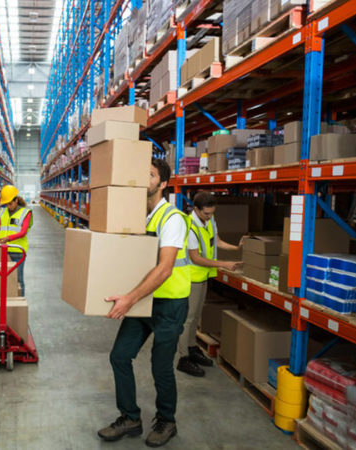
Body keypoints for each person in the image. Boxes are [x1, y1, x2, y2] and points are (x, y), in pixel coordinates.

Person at [98, 158, 191, 448]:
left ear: (162, 184)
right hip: (143, 300)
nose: (143, 179)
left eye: (150, 175)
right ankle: (130, 418)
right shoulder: (141, 217)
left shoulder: (172, 219)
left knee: (160, 366)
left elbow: (164, 269)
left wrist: (129, 299)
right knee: (119, 356)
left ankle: (167, 421)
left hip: (168, 304)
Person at [176, 191, 243, 377]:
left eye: (212, 213)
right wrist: (224, 264)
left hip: (204, 276)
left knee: (196, 317)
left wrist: (237, 248)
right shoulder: (190, 228)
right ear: (196, 209)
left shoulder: (210, 221)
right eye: (206, 213)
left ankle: (192, 348)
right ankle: (183, 358)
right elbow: (196, 257)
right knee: (187, 319)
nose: (210, 216)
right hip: (191, 278)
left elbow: (217, 241)